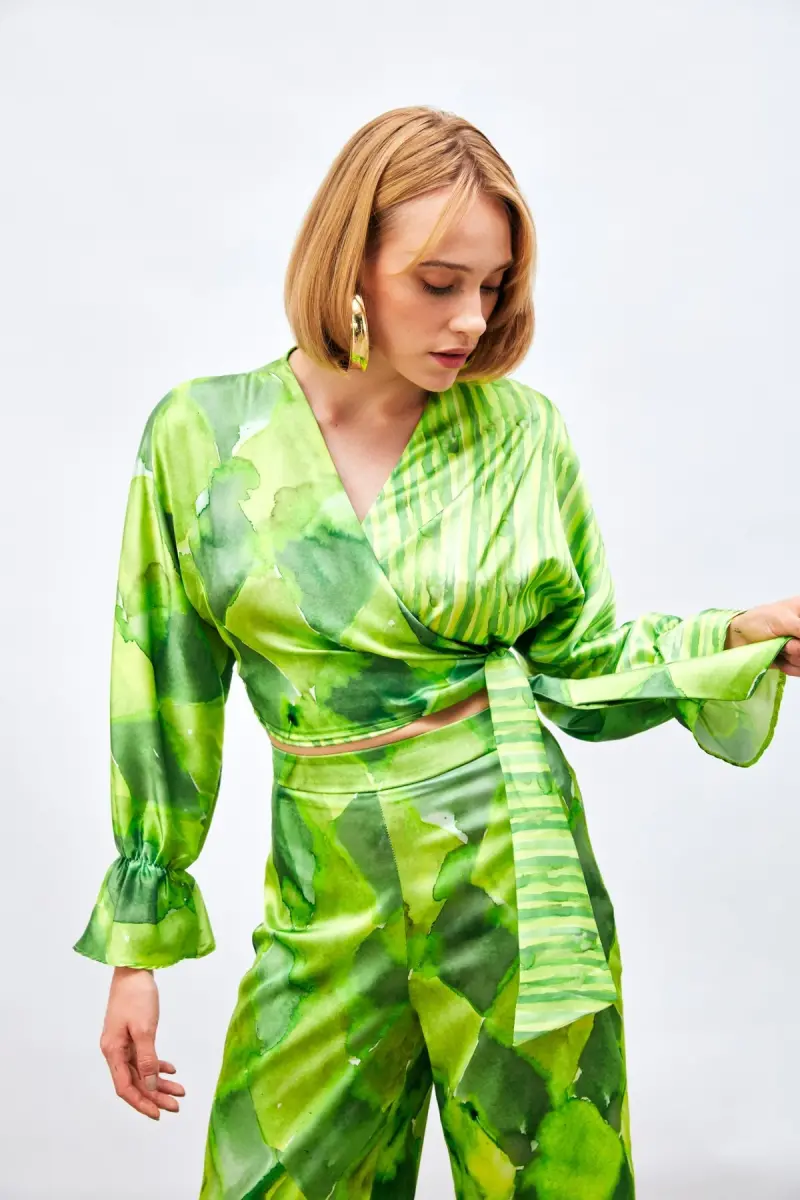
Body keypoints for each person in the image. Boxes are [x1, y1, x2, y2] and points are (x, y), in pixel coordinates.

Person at [73, 105, 799, 1200]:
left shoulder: (520, 434)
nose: (470, 318)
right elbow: (161, 687)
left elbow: (580, 659)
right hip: (325, 892)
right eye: (438, 281)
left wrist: (730, 639)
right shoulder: (202, 438)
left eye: (493, 286)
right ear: (350, 265)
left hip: (513, 882)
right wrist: (138, 945)